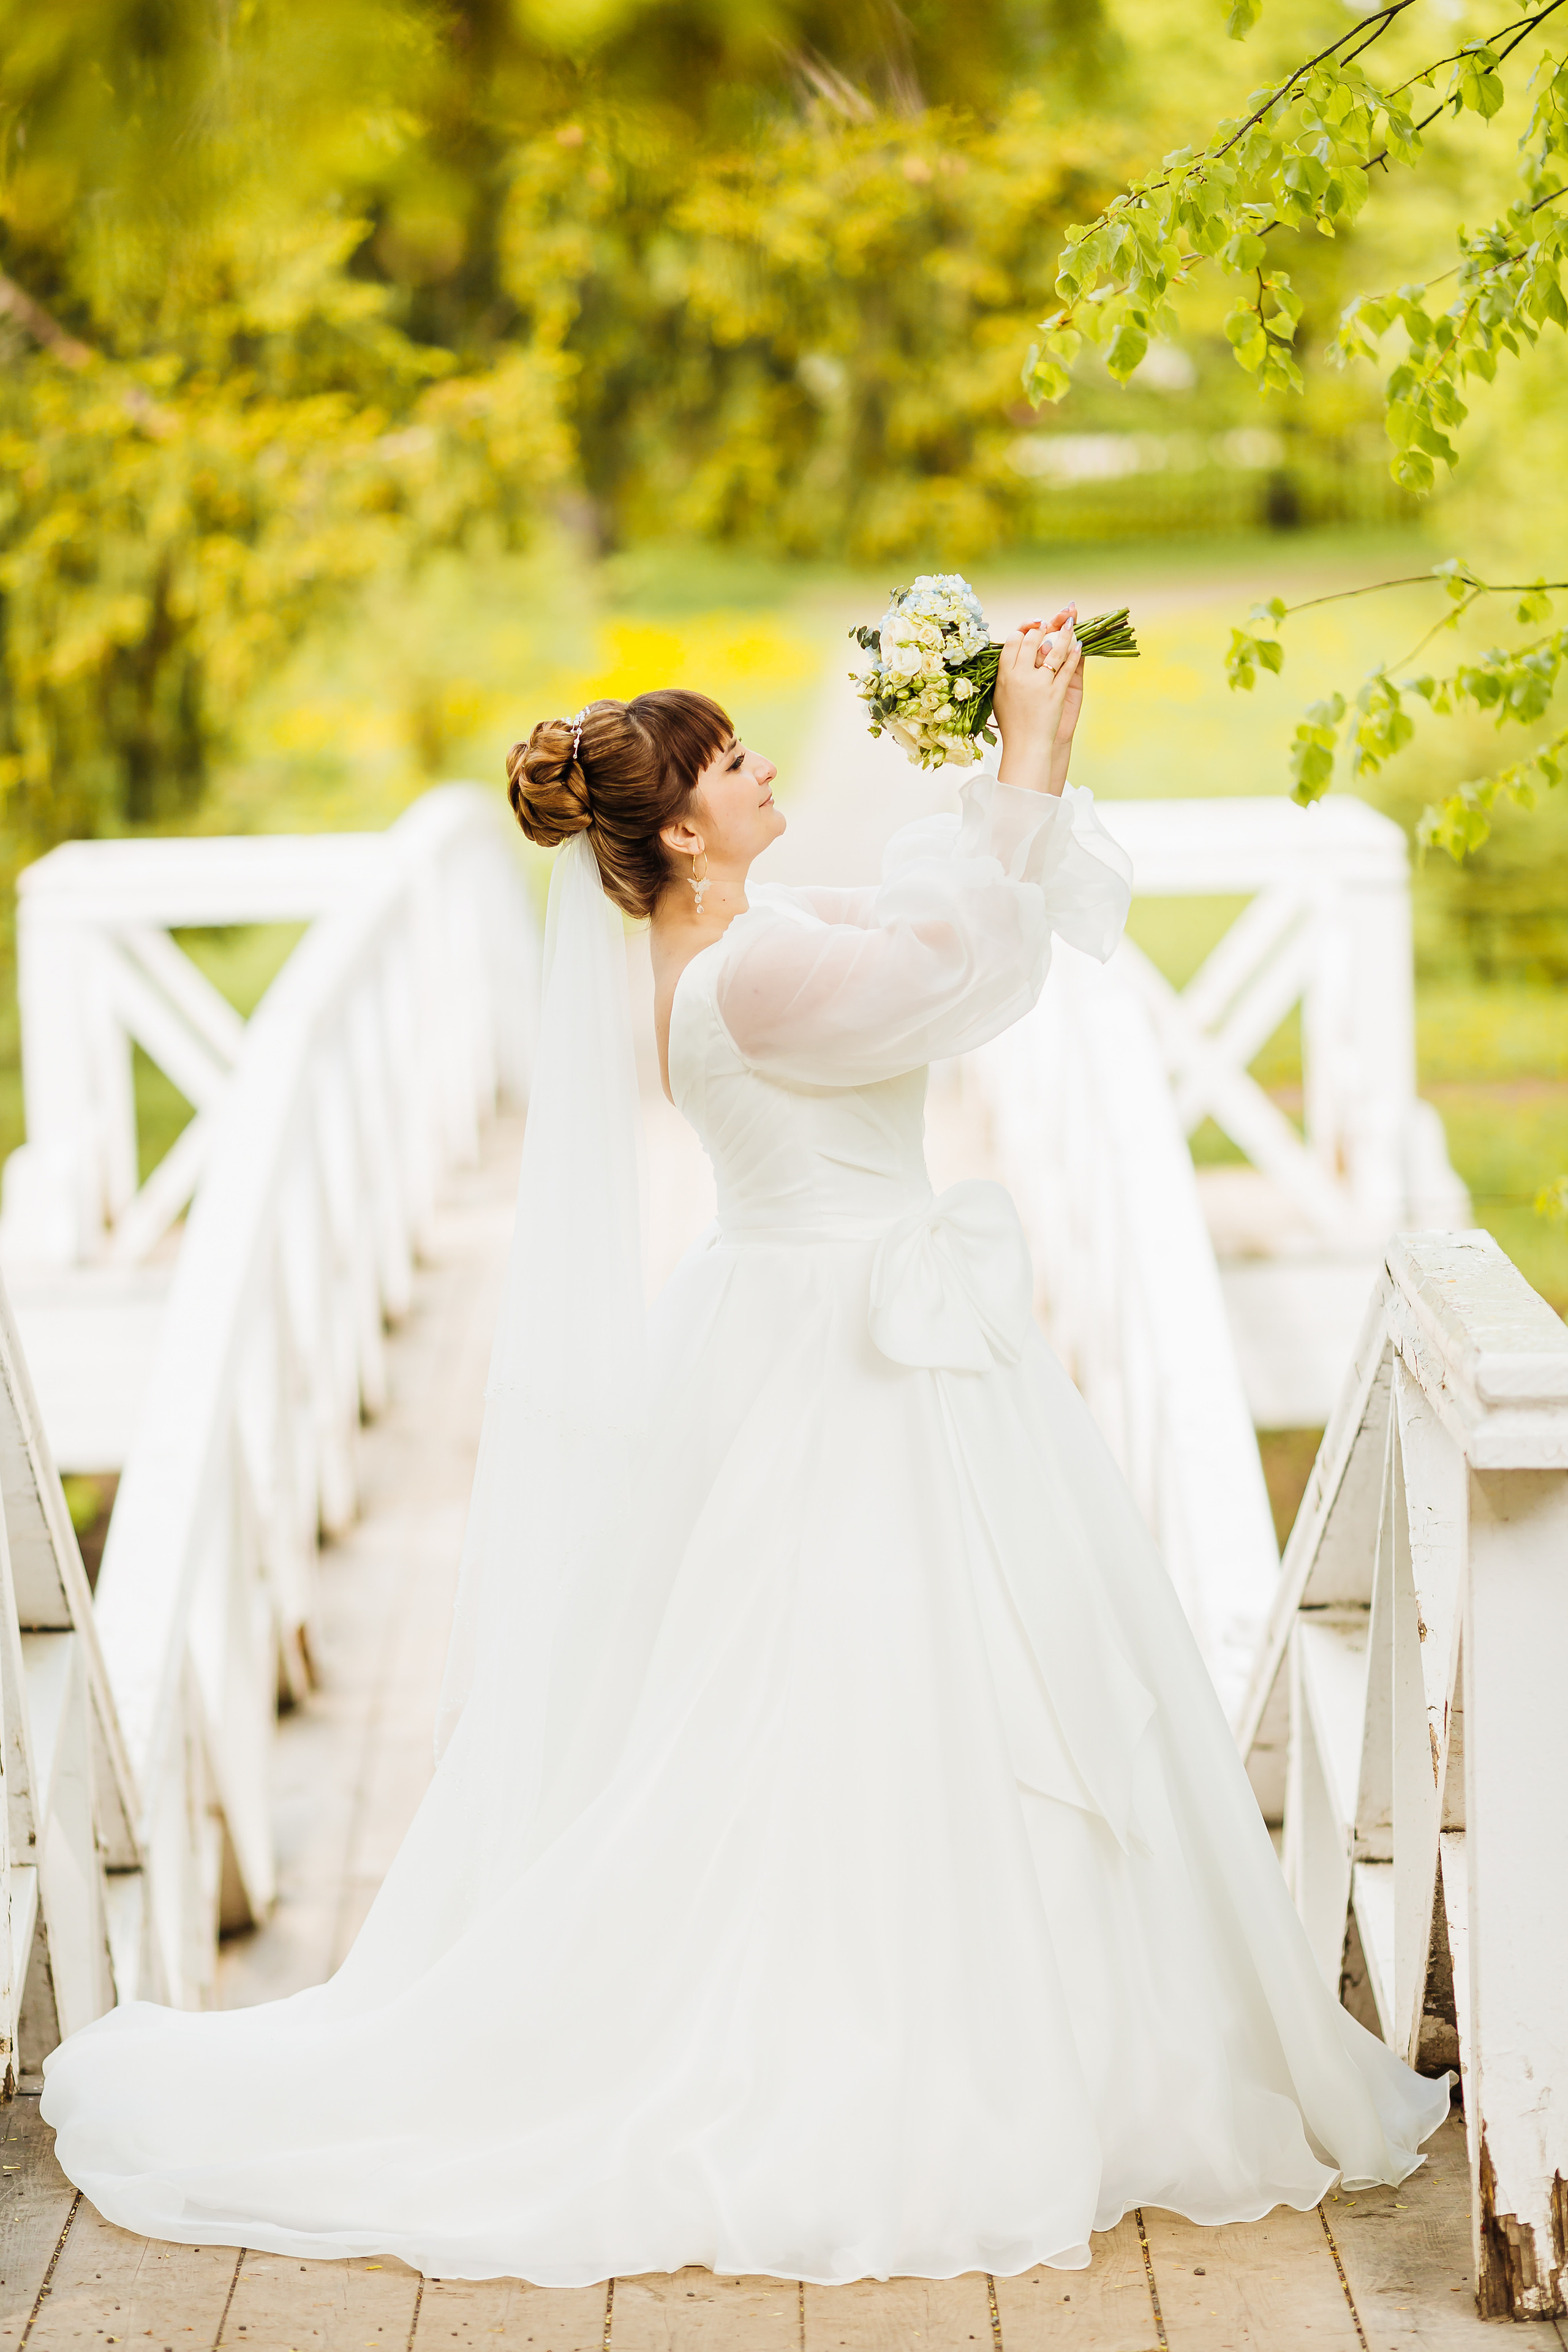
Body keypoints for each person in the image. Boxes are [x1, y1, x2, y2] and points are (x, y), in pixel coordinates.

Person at [42, 609, 1447, 2287]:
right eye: (731, 760)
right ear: (685, 831)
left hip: (813, 1325)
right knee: (882, 1694)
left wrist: (1001, 777)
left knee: (860, 1696)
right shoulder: (759, 967)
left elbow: (925, 927)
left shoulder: (727, 944)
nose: (765, 763)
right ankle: (893, 2054)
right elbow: (962, 978)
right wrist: (1027, 761)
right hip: (857, 1356)